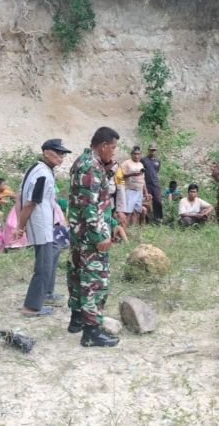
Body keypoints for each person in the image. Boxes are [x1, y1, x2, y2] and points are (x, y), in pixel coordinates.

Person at [67, 126, 121, 347]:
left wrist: (114, 223)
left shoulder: (83, 161)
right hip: (90, 237)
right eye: (114, 148)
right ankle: (91, 332)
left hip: (80, 234)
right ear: (104, 145)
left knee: (78, 276)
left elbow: (97, 203)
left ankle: (77, 318)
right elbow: (90, 206)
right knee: (94, 282)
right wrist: (99, 236)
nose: (114, 153)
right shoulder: (92, 167)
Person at [14, 139, 72, 316]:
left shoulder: (38, 169)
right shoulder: (42, 174)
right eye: (58, 153)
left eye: (63, 154)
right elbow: (30, 202)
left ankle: (44, 295)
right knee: (43, 267)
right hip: (41, 227)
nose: (61, 157)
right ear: (46, 152)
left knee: (49, 260)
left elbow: (20, 196)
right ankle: (31, 307)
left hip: (45, 224)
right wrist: (20, 226)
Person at [120, 146, 150, 226]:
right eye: (135, 154)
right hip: (129, 189)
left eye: (138, 154)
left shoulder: (140, 164)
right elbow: (121, 176)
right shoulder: (126, 163)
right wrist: (131, 174)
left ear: (140, 155)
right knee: (128, 211)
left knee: (136, 211)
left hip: (139, 190)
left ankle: (132, 229)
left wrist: (146, 193)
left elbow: (143, 180)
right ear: (131, 154)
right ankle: (125, 228)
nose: (136, 156)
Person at [141, 143, 162, 222]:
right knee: (146, 202)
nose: (152, 152)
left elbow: (157, 171)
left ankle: (158, 218)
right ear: (148, 150)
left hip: (155, 184)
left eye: (154, 150)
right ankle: (147, 220)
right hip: (146, 184)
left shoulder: (158, 160)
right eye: (151, 150)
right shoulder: (143, 160)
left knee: (158, 201)